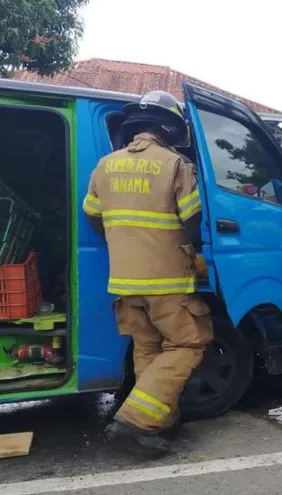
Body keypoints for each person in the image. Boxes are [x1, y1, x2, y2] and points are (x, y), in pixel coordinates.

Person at [82, 90, 213, 455]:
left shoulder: (105, 166)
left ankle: (160, 421)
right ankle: (135, 422)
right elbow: (194, 219)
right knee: (188, 343)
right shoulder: (175, 165)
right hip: (167, 280)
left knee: (147, 348)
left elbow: (92, 215)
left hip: (124, 280)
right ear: (169, 128)